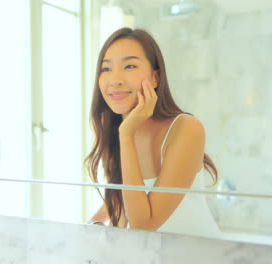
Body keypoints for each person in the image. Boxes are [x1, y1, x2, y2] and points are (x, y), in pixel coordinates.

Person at [86, 28, 220, 237]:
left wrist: (127, 134)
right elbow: (122, 200)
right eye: (106, 69)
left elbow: (143, 225)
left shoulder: (186, 128)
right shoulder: (113, 130)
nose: (115, 80)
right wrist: (89, 226)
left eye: (129, 66)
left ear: (155, 78)